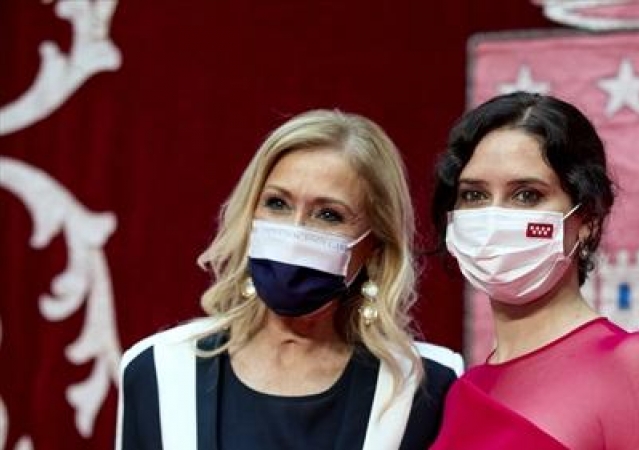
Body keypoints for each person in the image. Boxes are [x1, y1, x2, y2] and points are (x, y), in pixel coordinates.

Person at [115, 109, 463, 450]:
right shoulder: (159, 369)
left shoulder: (424, 387)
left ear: (374, 245)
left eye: (328, 214)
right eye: (277, 203)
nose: (294, 231)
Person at [428, 92, 639, 449]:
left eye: (526, 194)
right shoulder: (462, 389)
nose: (494, 216)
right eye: (474, 195)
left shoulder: (631, 365)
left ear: (587, 219)